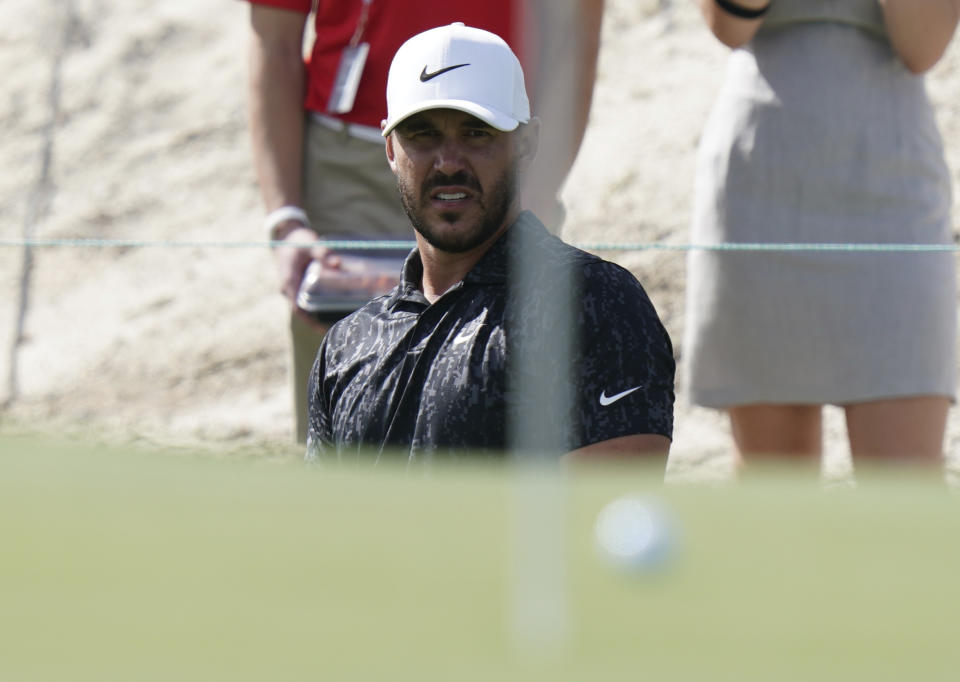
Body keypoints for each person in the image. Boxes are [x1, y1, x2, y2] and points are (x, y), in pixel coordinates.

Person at [306, 23, 675, 461]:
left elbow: (606, 511)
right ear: (390, 149)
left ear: (526, 143)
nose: (447, 163)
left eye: (476, 132)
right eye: (422, 134)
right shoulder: (347, 344)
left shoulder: (594, 303)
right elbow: (319, 526)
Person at [245, 0, 605, 443]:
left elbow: (573, 36)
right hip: (348, 168)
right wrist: (286, 219)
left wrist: (526, 193)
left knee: (504, 419)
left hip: (494, 151)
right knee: (347, 435)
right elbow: (274, 36)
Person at [683, 0, 960, 473]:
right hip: (762, 175)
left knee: (905, 500)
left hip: (893, 186)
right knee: (775, 501)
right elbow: (729, 25)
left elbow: (922, 47)